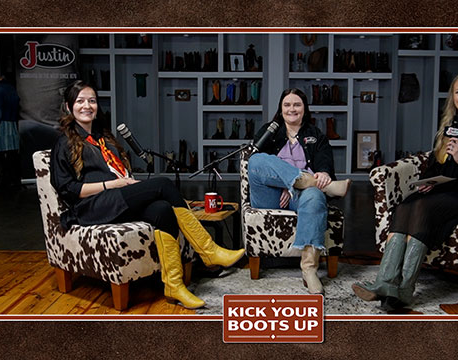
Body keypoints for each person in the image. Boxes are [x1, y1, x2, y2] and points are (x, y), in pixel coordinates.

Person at [50, 80, 245, 309]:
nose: (87, 106)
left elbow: (119, 172)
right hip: (91, 207)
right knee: (162, 184)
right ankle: (208, 250)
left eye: (92, 101)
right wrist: (112, 185)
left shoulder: (104, 139)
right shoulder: (63, 143)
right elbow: (68, 190)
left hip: (116, 200)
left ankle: (174, 285)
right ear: (69, 106)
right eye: (80, 101)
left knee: (162, 210)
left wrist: (125, 182)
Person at [352, 71, 458, 307]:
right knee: (406, 205)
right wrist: (428, 181)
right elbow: (434, 164)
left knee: (422, 208)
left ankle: (404, 288)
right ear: (452, 98)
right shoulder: (448, 128)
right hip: (441, 190)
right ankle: (387, 284)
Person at [247, 88, 351, 294]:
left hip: (299, 198)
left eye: (297, 104)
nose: (291, 109)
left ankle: (309, 269)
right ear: (281, 108)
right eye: (287, 105)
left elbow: (324, 163)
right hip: (269, 195)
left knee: (314, 195)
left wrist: (321, 174)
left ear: (304, 109)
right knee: (256, 159)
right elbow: (258, 166)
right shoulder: (270, 130)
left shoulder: (315, 135)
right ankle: (303, 180)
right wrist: (289, 182)